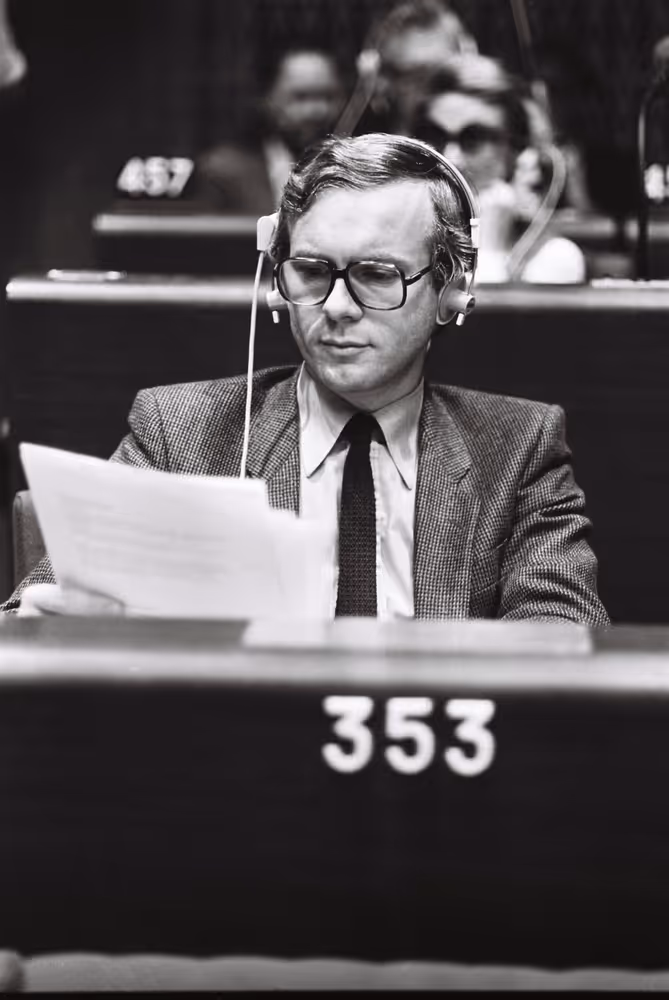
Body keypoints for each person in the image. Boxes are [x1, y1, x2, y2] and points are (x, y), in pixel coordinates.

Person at [7, 133, 608, 625]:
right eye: (312, 271)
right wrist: (51, 625)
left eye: (377, 275)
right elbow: (30, 615)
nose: (337, 307)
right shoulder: (182, 434)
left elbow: (562, 640)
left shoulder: (518, 447)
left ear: (451, 290)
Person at [410, 54, 587, 283]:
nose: (450, 157)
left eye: (474, 139)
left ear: (517, 152)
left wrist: (487, 249)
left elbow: (478, 308)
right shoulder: (400, 242)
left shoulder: (553, 257)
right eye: (435, 136)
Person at [194, 47, 347, 214]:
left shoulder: (355, 167)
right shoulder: (224, 171)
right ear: (267, 98)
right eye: (301, 97)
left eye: (328, 97)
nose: (317, 111)